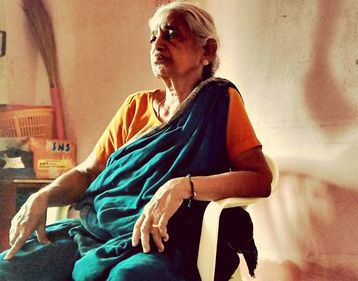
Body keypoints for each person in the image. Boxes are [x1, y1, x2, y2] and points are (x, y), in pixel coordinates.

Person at [0, 2, 272, 280]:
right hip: (98, 230)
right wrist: (42, 196)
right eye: (153, 36)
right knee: (7, 267)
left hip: (164, 239)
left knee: (128, 276)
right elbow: (89, 171)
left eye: (172, 34)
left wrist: (183, 186)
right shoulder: (136, 106)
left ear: (207, 50)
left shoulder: (219, 101)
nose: (158, 44)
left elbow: (259, 179)